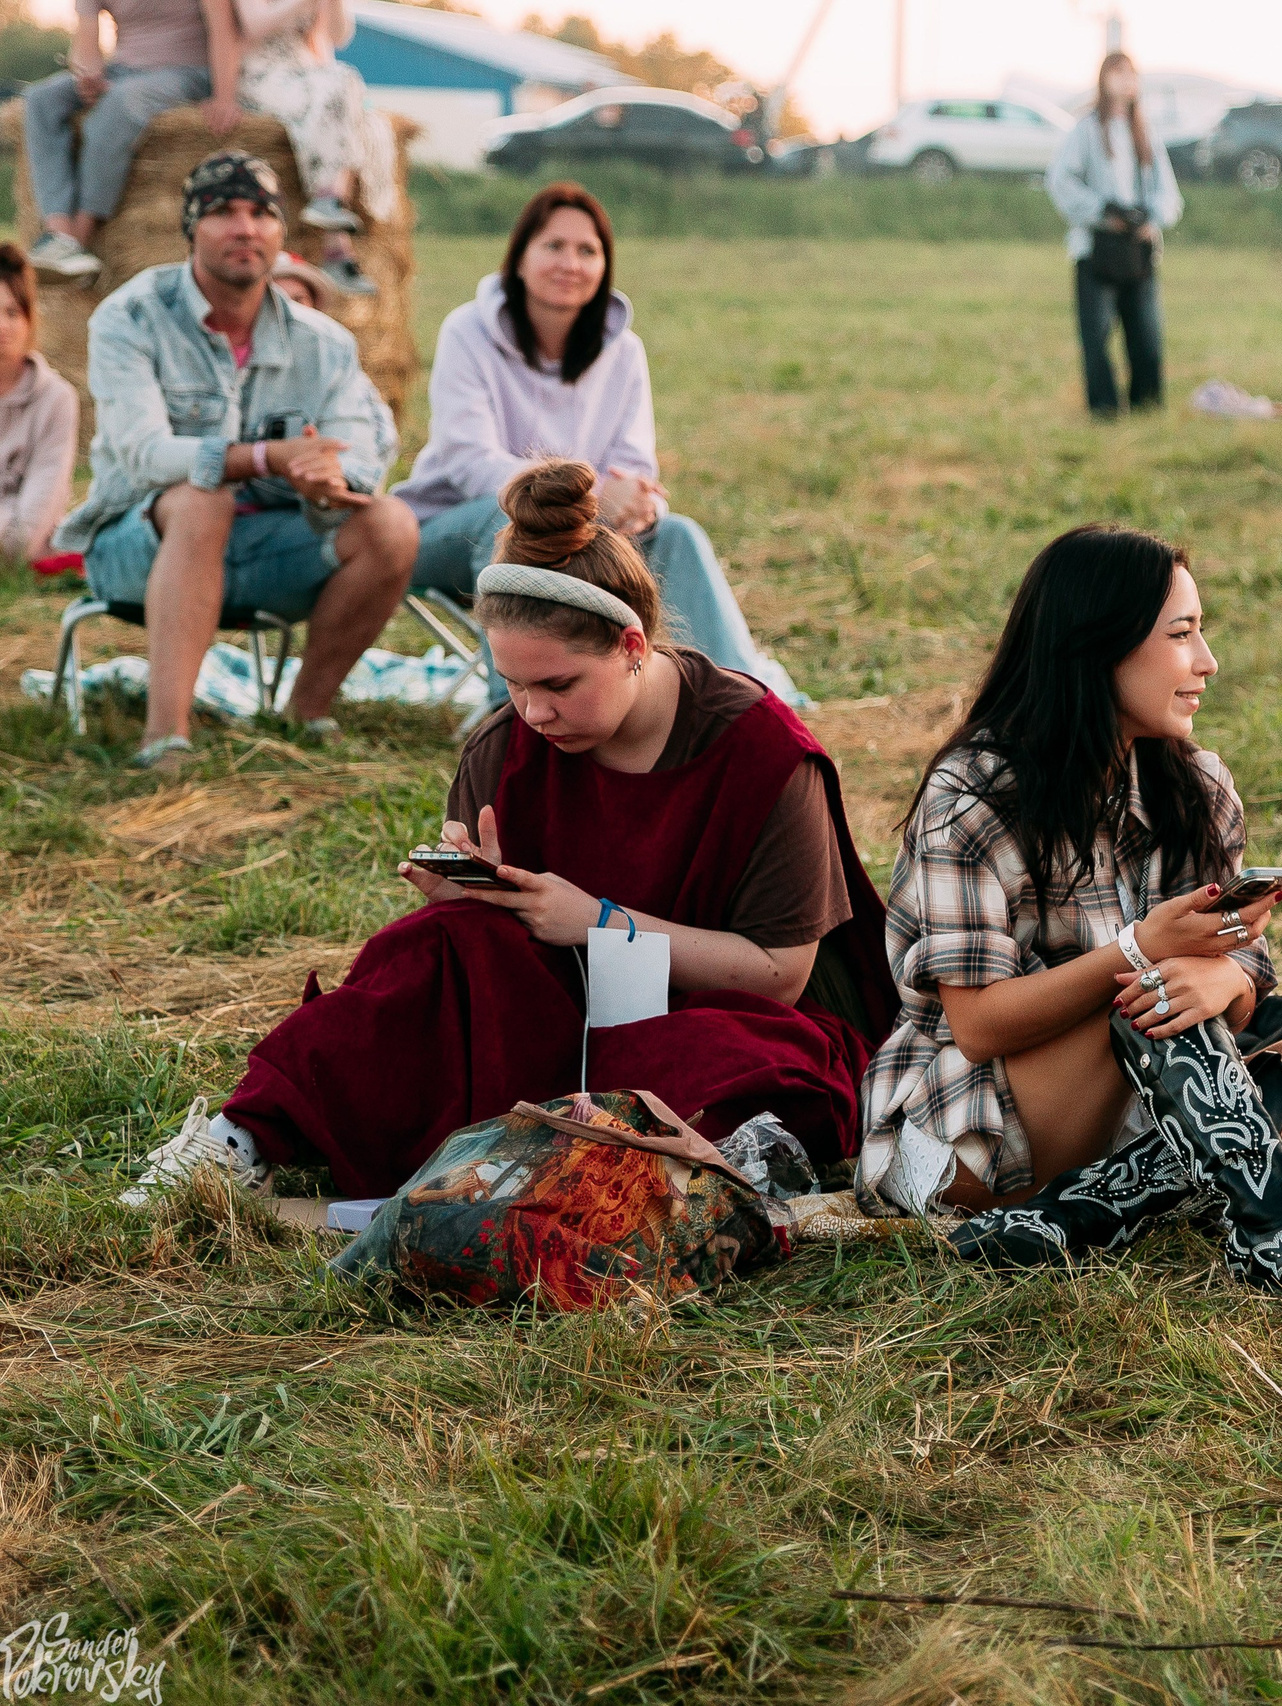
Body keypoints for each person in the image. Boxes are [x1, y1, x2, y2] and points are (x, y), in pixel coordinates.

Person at [119, 458, 899, 1208]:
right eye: (513, 684)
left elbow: (777, 975)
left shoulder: (762, 754)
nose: (534, 713)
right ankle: (241, 1139)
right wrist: (474, 905)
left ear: (632, 648)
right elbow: (493, 972)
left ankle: (532, 1154)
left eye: (558, 684)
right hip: (553, 1019)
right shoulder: (506, 744)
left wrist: (595, 923)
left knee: (731, 1075)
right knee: (428, 951)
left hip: (714, 1020)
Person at [857, 523, 1282, 1307]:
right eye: (1182, 635)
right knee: (1150, 983)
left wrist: (1223, 982)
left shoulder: (1197, 787)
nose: (1207, 662)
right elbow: (976, 1025)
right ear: (1098, 648)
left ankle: (1080, 1214)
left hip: (1144, 1108)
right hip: (981, 1125)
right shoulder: (972, 798)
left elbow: (1241, 974)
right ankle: (1279, 1225)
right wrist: (1141, 949)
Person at [51, 149, 415, 771]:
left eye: (261, 213)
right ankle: (165, 738)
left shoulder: (322, 343)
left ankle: (304, 713)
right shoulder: (131, 316)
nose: (245, 228)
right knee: (202, 497)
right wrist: (270, 456)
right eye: (223, 212)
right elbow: (144, 454)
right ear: (192, 227)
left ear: (280, 232)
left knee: (391, 524)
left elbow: (361, 447)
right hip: (138, 549)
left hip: (267, 553)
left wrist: (328, 480)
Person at [398, 182, 802, 704]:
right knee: (511, 520)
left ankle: (734, 707)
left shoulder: (624, 353)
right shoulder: (467, 331)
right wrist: (585, 499)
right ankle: (517, 722)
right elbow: (467, 461)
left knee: (678, 535)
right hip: (449, 531)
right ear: (519, 258)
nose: (571, 262)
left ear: (604, 268)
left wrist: (640, 505)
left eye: (588, 251)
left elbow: (634, 467)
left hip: (582, 536)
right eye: (553, 246)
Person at [22, 0, 239, 279]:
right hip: (123, 71)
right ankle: (58, 234)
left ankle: (80, 236)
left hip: (185, 73)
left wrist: (225, 97)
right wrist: (87, 75)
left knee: (119, 106)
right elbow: (86, 41)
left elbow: (223, 30)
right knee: (40, 99)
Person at [1044, 51, 1182, 418]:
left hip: (1139, 249)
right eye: (1116, 73)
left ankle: (1146, 407)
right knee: (1097, 336)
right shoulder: (1086, 129)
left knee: (1147, 335)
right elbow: (1061, 181)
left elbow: (1168, 193)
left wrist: (1151, 218)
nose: (1124, 81)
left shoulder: (1146, 131)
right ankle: (1104, 411)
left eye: (1130, 74)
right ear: (1103, 79)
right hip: (1096, 248)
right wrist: (1103, 212)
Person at [232, 0, 397, 296]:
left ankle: (332, 207)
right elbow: (254, 27)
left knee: (368, 119)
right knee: (342, 86)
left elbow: (337, 36)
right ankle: (332, 220)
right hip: (261, 74)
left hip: (306, 74)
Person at [0, 245, 81, 565]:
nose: (2, 327)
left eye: (12, 312)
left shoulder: (56, 400)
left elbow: (26, 538)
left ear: (30, 318)